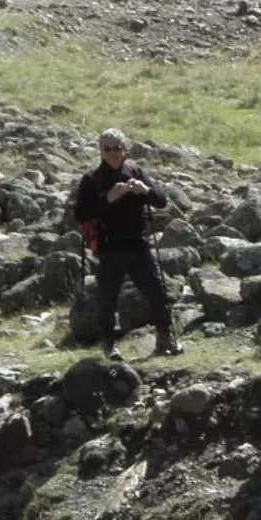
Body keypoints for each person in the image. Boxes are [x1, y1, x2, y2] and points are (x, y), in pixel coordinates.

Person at [72, 128, 182, 358]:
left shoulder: (135, 171)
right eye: (108, 149)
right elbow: (81, 214)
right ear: (101, 152)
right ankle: (109, 345)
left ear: (125, 150)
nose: (113, 153)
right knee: (107, 299)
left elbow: (161, 201)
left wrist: (147, 190)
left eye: (117, 148)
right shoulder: (92, 179)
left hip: (138, 244)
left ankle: (166, 339)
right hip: (110, 247)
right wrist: (107, 199)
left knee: (157, 293)